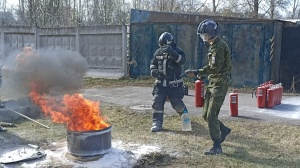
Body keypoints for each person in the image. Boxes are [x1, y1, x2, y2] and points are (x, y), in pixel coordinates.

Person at [185, 19, 232, 155]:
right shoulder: (213, 46)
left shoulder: (219, 47)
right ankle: (223, 130)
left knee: (211, 115)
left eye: (205, 35)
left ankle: (217, 146)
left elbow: (215, 68)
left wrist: (197, 72)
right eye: (203, 35)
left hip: (220, 84)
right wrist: (202, 75)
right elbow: (212, 69)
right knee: (205, 114)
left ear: (212, 33)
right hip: (212, 83)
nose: (204, 38)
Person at [150, 32, 188, 132]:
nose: (163, 48)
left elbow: (182, 61)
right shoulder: (158, 52)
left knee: (177, 104)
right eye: (161, 46)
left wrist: (172, 53)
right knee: (157, 102)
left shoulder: (178, 51)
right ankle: (157, 123)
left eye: (165, 46)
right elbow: (153, 63)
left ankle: (186, 120)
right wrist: (153, 70)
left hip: (174, 85)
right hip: (160, 84)